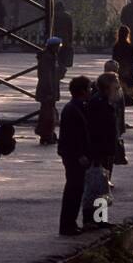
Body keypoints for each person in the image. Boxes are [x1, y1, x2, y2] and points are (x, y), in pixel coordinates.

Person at [57, 75, 92, 236]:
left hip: (71, 154)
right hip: (73, 156)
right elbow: (72, 136)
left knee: (75, 189)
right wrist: (79, 155)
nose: (91, 91)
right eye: (89, 88)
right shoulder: (74, 109)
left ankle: (70, 223)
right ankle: (67, 225)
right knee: (73, 189)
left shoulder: (75, 107)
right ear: (83, 91)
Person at [86, 71, 121, 193]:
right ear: (107, 88)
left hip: (105, 148)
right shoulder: (99, 103)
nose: (118, 89)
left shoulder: (106, 101)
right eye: (115, 87)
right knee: (99, 190)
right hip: (100, 148)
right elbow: (97, 129)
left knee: (102, 185)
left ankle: (100, 209)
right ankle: (99, 211)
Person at [35, 37, 62, 145]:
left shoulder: (51, 57)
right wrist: (50, 91)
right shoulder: (48, 58)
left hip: (49, 90)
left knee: (48, 113)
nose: (59, 48)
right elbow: (47, 76)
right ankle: (46, 134)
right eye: (58, 46)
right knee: (47, 114)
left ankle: (48, 133)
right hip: (47, 91)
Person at [111, 25, 133, 105]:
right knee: (129, 86)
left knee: (120, 85)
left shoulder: (116, 46)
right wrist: (131, 69)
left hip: (120, 70)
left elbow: (114, 59)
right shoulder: (130, 47)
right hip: (129, 71)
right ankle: (129, 99)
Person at [53, 0, 74, 72]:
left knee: (55, 55)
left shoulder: (53, 15)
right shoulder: (68, 16)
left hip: (55, 39)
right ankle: (62, 68)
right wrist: (70, 40)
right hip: (65, 39)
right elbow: (70, 29)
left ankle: (58, 68)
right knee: (63, 55)